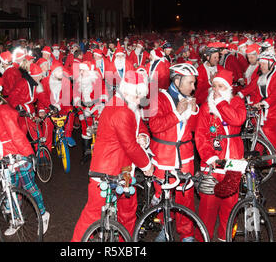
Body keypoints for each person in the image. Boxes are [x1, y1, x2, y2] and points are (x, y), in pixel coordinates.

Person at [71, 70, 154, 242]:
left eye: (141, 95)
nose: (140, 100)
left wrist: (144, 137)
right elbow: (130, 146)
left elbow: (138, 127)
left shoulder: (123, 104)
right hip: (110, 171)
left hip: (118, 169)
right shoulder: (122, 110)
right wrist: (147, 165)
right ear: (127, 90)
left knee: (124, 212)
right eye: (138, 95)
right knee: (96, 215)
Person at [0, 74, 50, 236]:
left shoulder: (3, 110)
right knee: (10, 190)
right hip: (3, 158)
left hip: (17, 156)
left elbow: (16, 134)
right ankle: (16, 220)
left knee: (29, 188)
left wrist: (29, 154)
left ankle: (43, 214)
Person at [148, 63, 199, 242]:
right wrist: (177, 114)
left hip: (185, 155)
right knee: (163, 195)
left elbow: (191, 130)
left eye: (195, 83)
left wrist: (192, 113)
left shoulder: (190, 98)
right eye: (190, 83)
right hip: (163, 154)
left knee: (186, 196)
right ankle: (165, 228)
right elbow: (154, 126)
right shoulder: (158, 98)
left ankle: (187, 235)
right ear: (177, 80)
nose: (194, 88)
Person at [195, 69, 247, 242]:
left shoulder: (237, 102)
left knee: (230, 209)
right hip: (213, 164)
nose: (216, 90)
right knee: (207, 209)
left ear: (229, 87)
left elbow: (237, 120)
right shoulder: (205, 107)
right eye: (214, 86)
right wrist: (210, 157)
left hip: (234, 162)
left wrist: (220, 104)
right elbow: (200, 136)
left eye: (221, 86)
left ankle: (225, 239)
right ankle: (203, 239)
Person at [72, 60, 109, 164]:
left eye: (83, 70)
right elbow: (75, 95)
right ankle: (86, 154)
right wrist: (77, 103)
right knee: (85, 131)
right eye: (80, 70)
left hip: (96, 109)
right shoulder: (78, 81)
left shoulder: (97, 80)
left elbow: (104, 94)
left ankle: (101, 155)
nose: (81, 72)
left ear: (89, 71)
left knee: (99, 131)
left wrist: (100, 105)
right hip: (84, 110)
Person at [41, 60, 76, 147]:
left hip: (62, 106)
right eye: (58, 71)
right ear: (53, 73)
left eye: (61, 70)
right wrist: (46, 107)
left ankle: (68, 135)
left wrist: (60, 105)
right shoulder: (45, 82)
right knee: (47, 126)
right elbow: (41, 97)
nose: (61, 73)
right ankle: (45, 151)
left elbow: (68, 96)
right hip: (49, 107)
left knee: (70, 112)